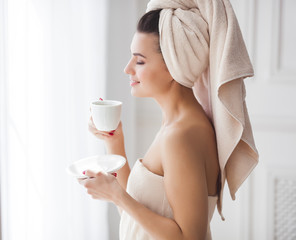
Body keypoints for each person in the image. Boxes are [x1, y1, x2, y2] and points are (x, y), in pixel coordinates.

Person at [79, 0, 258, 239]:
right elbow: (137, 219)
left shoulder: (181, 136)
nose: (127, 68)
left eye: (139, 60)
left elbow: (188, 237)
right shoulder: (176, 125)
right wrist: (114, 141)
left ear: (174, 65)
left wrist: (117, 195)